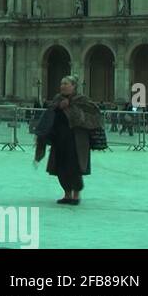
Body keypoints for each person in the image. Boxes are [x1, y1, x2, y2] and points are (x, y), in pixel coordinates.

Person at [34, 75, 103, 206]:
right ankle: (66, 194)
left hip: (76, 141)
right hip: (59, 140)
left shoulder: (82, 101)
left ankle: (76, 195)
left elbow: (91, 118)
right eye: (61, 83)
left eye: (66, 84)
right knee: (60, 168)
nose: (63, 86)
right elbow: (48, 118)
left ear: (74, 86)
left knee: (74, 168)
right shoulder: (57, 101)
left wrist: (70, 106)